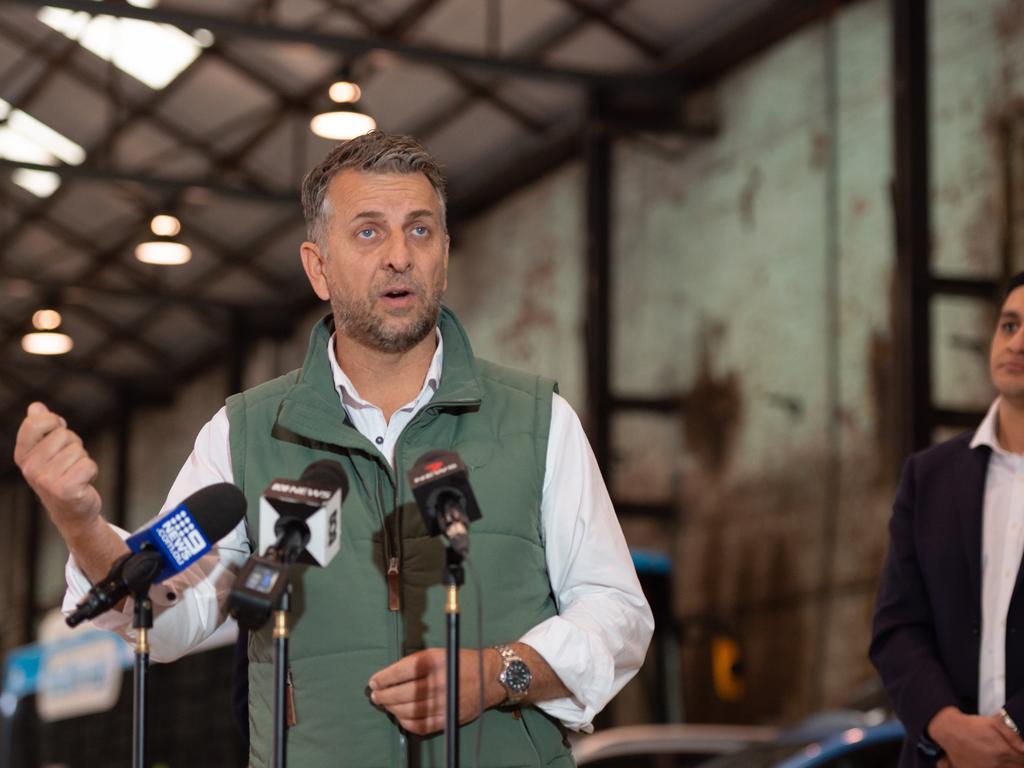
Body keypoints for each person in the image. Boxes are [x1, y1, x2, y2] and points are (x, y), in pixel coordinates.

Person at [14, 131, 654, 767]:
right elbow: (164, 607)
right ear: (318, 267)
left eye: (421, 231)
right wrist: (80, 523)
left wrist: (500, 673)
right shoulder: (245, 434)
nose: (400, 255)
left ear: (446, 255)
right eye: (369, 232)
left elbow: (617, 613)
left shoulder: (539, 423)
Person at [870, 273, 1024, 768]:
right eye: (1009, 325)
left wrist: (1008, 734)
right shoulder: (929, 476)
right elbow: (896, 627)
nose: (1016, 342)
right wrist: (947, 728)